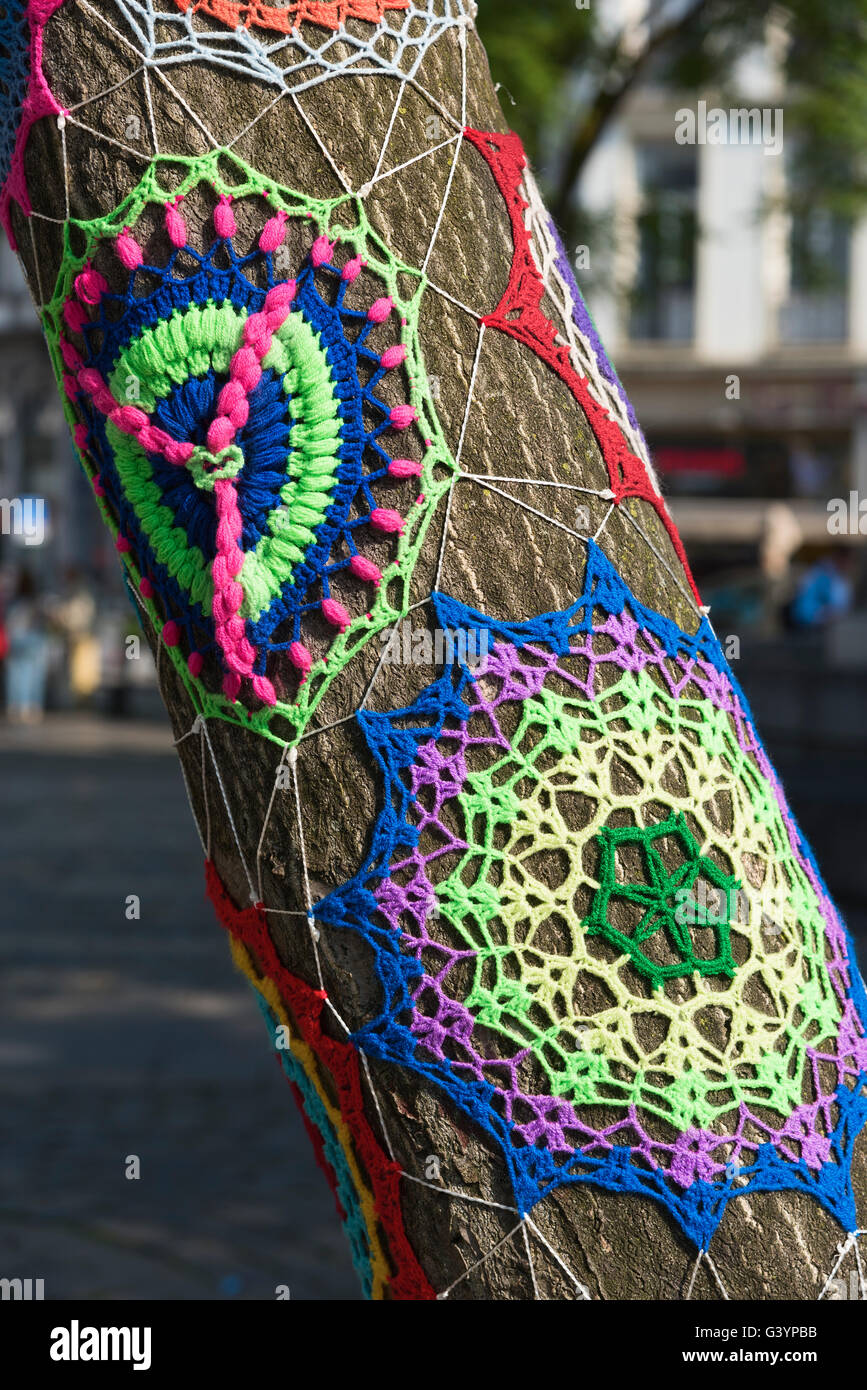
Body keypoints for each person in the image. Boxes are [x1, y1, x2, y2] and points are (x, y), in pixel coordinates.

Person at [4, 568, 49, 723]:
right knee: (34, 674)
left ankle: (16, 705)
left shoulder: (14, 601)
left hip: (17, 639)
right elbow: (41, 621)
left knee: (16, 674)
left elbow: (9, 622)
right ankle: (32, 706)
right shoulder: (35, 600)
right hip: (34, 638)